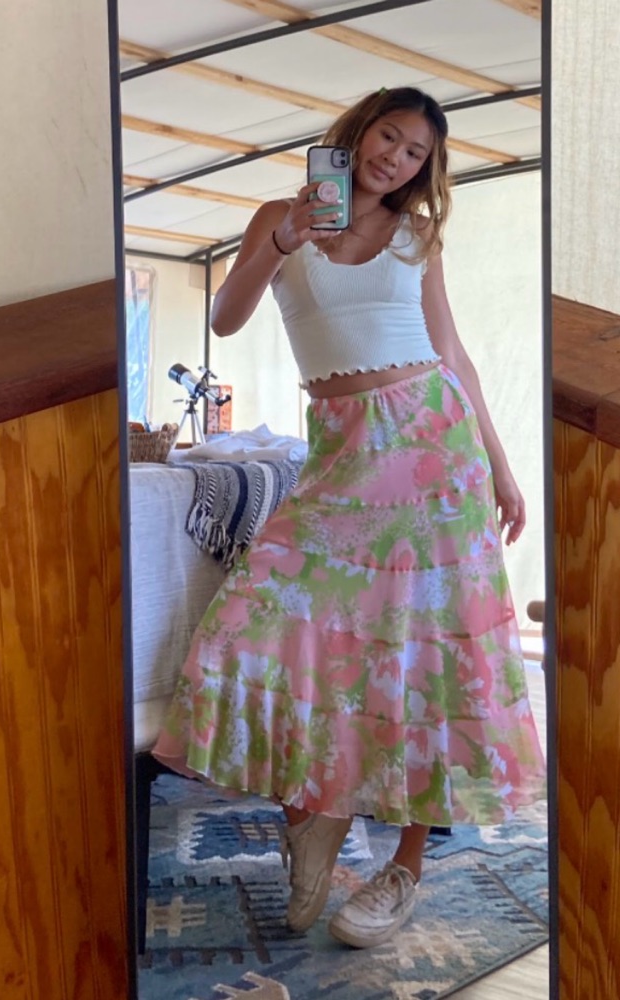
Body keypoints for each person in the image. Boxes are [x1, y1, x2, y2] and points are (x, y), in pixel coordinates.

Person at [153, 86, 546, 950]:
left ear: (424, 168)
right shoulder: (280, 218)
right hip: (342, 454)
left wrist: (504, 467)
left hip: (435, 450)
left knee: (432, 659)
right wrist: (284, 242)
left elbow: (452, 352)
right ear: (359, 131)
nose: (395, 159)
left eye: (415, 153)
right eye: (388, 137)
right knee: (251, 629)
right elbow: (225, 317)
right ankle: (316, 814)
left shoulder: (417, 236)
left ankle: (404, 864)